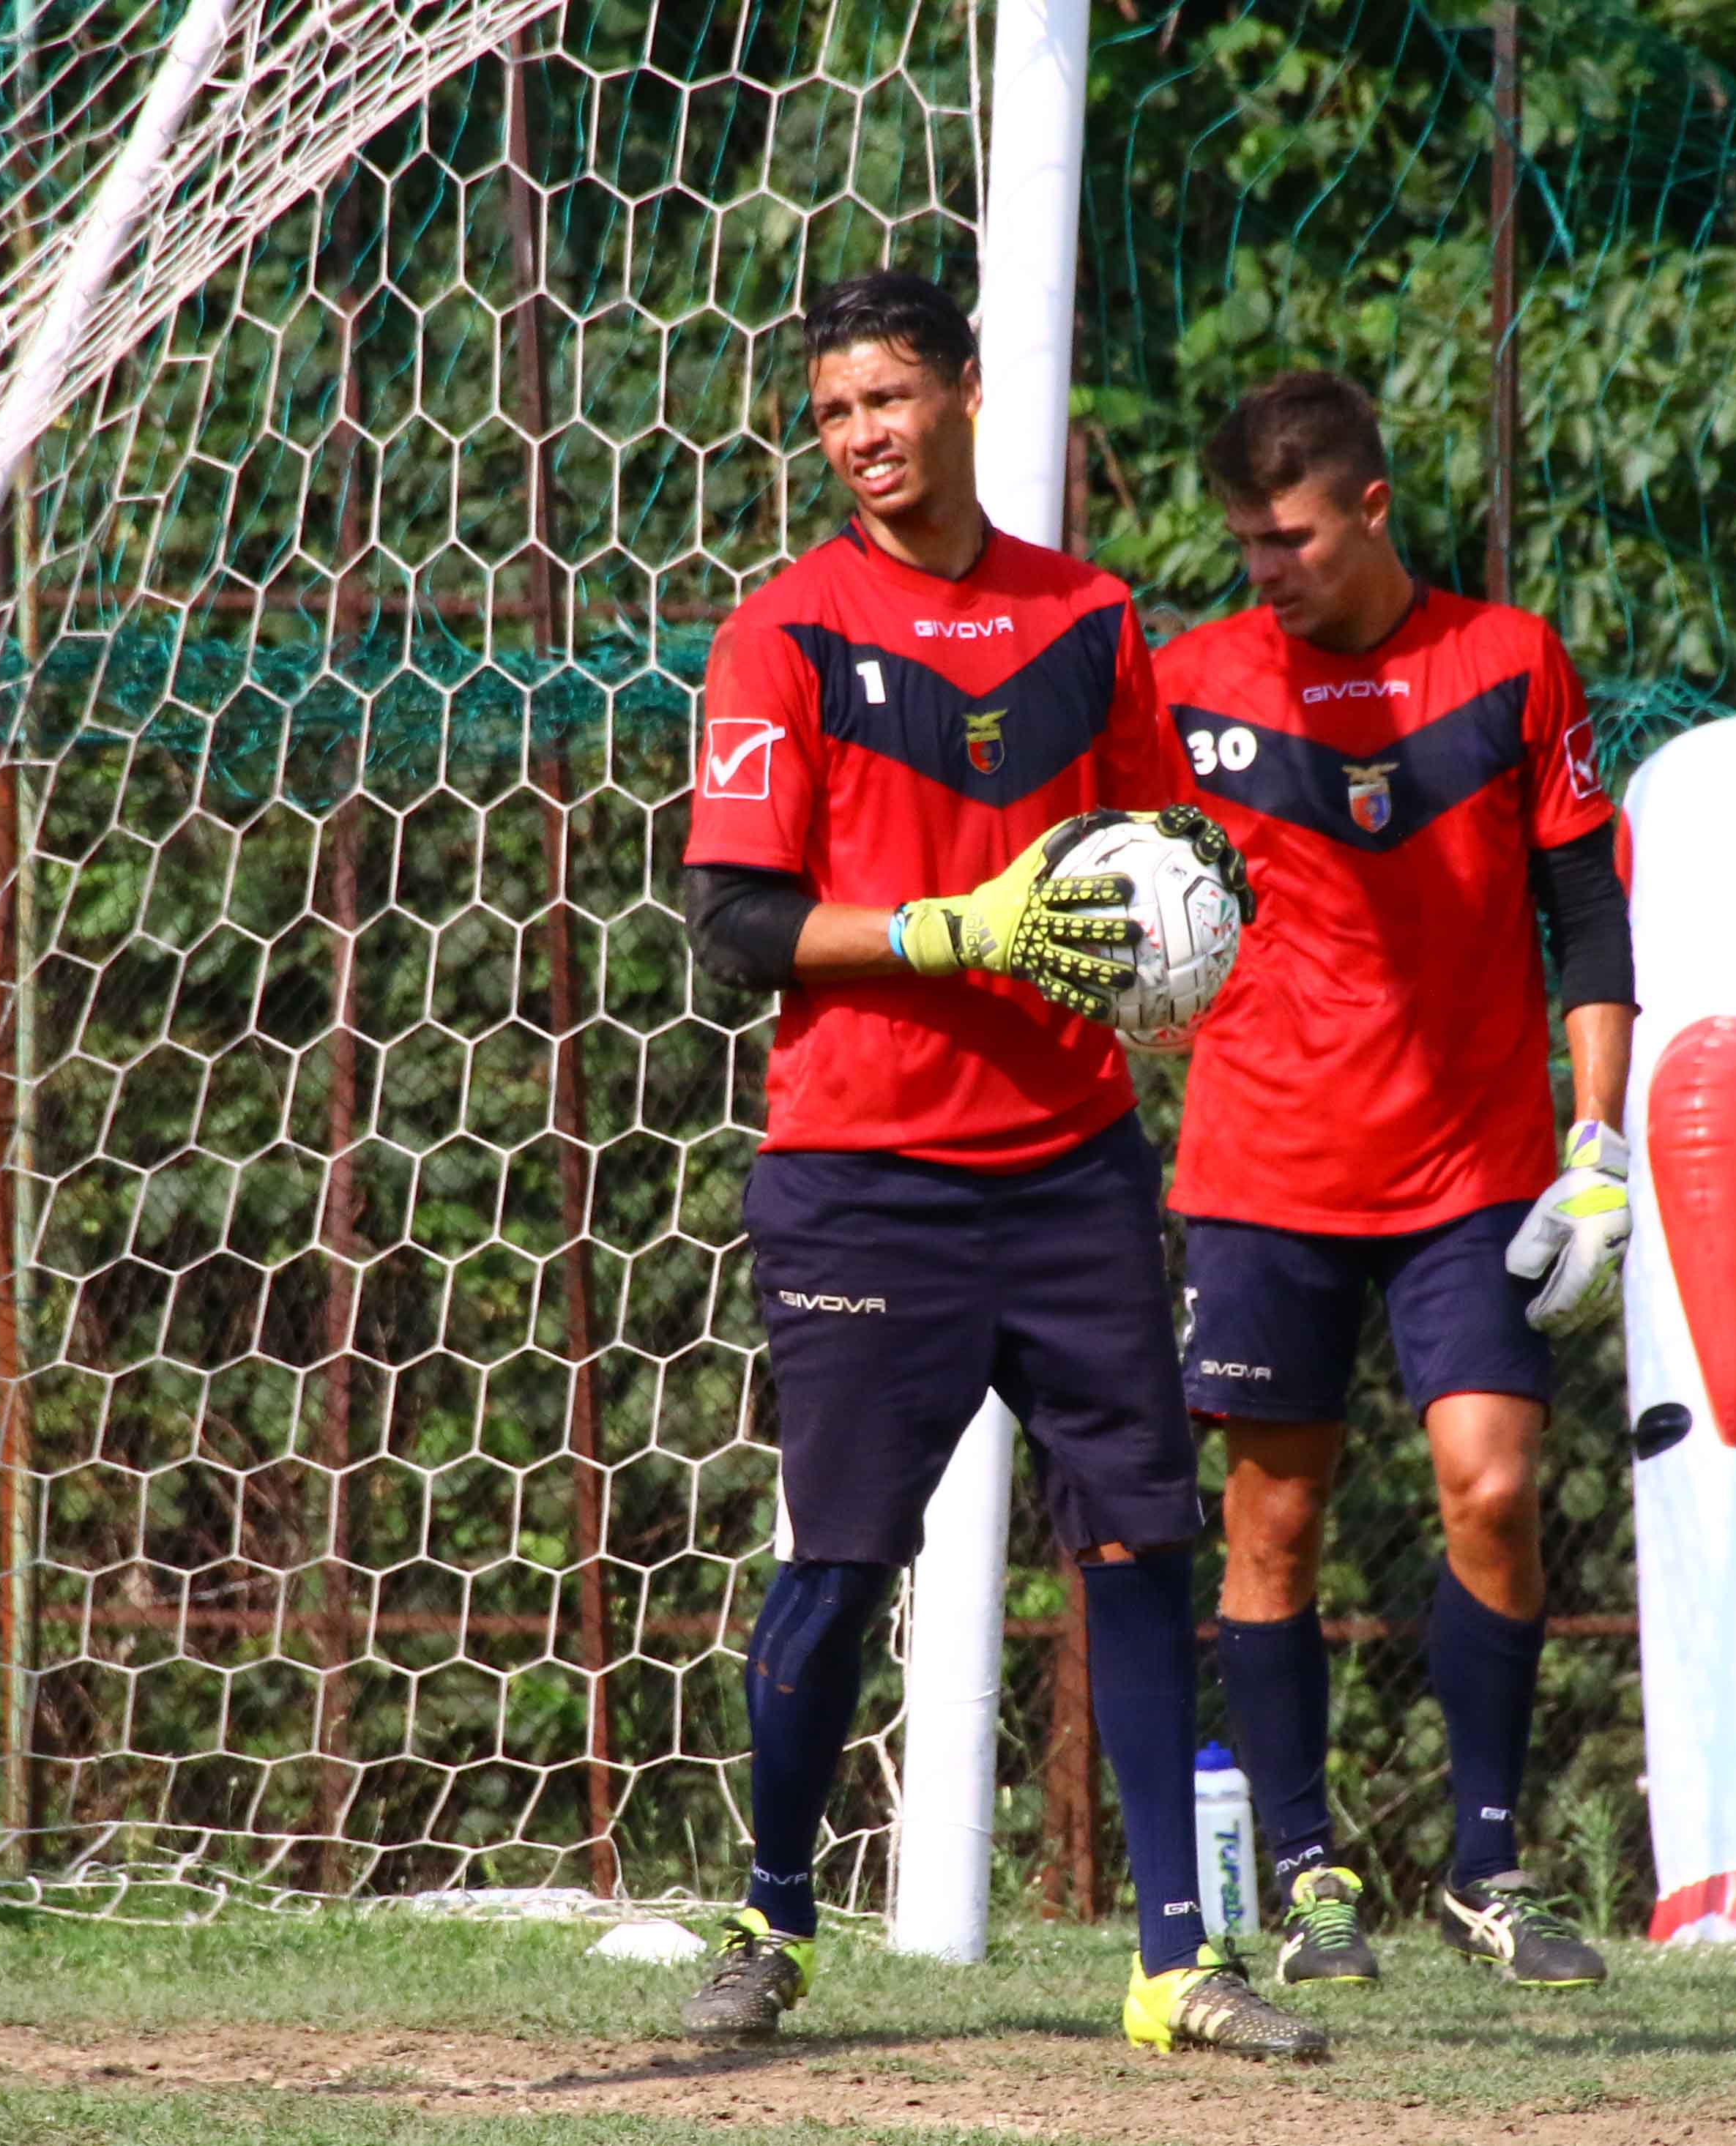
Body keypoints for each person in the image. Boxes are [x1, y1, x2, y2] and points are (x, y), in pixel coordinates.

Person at [676, 271, 1319, 2060]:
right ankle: (770, 1919)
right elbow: (732, 922)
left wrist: (1177, 944)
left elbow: (1153, 851)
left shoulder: (1089, 619)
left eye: (889, 397)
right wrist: (949, 930)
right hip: (863, 1172)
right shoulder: (782, 635)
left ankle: (1176, 1966)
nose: (863, 436)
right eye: (831, 413)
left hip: (1070, 1172)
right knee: (841, 1556)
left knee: (1136, 1544)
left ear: (965, 392)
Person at [1161, 370, 1634, 1990]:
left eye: (1284, 537)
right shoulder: (1189, 681)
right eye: (1239, 542)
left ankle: (1487, 1864)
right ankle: (1304, 1876)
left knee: (1492, 1484)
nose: (1261, 572)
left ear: (1370, 507)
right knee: (1272, 1519)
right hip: (1265, 1159)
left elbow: (1586, 904)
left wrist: (1598, 1142)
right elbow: (1109, 888)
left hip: (1474, 1162)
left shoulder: (1506, 663)